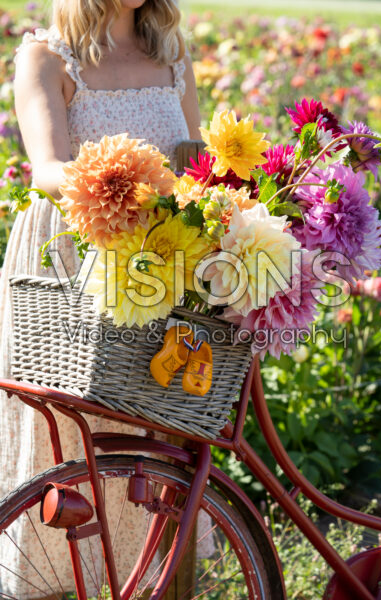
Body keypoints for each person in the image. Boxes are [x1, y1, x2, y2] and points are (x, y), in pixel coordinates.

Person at [0, 0, 201, 596]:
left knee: (159, 426)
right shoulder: (46, 54)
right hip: (72, 255)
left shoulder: (172, 53)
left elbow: (198, 162)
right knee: (72, 433)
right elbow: (46, 170)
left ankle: (152, 579)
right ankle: (64, 581)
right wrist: (135, 179)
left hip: (160, 259)